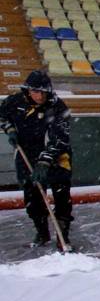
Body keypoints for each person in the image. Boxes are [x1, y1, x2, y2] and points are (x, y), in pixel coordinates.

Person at [0, 70, 73, 248]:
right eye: (35, 91)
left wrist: (45, 161)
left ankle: (63, 235)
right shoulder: (15, 101)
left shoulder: (58, 107)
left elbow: (60, 138)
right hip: (27, 154)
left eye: (43, 92)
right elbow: (1, 114)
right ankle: (42, 232)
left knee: (61, 195)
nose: (39, 96)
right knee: (32, 196)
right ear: (28, 90)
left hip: (57, 156)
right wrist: (9, 129)